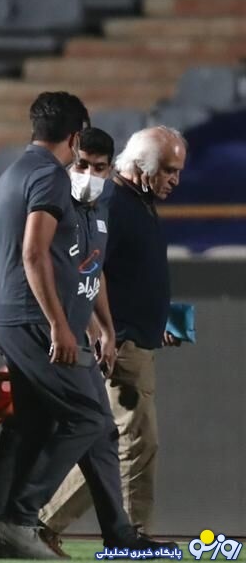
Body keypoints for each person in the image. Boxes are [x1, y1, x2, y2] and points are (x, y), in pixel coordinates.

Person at [0, 92, 173, 559]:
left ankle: (106, 534)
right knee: (88, 418)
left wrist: (102, 327)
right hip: (38, 321)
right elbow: (33, 254)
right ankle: (19, 520)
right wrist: (59, 326)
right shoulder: (50, 178)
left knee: (45, 429)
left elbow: (85, 266)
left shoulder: (17, 177)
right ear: (75, 137)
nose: (91, 172)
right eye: (86, 161)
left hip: (37, 319)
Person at [39, 127, 187, 547]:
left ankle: (43, 523)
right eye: (168, 170)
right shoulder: (115, 204)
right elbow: (86, 271)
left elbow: (129, 274)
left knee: (116, 441)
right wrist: (101, 332)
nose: (175, 179)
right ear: (140, 166)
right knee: (136, 440)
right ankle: (129, 535)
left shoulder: (136, 202)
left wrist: (157, 320)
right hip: (120, 343)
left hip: (132, 337)